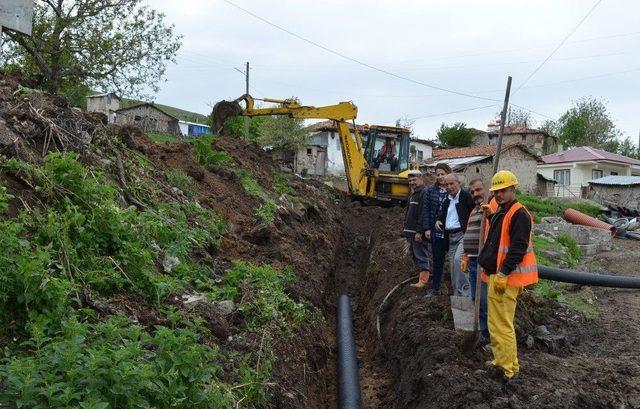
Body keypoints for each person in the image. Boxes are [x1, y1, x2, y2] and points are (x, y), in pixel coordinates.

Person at [478, 170, 539, 382]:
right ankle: (506, 361)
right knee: (497, 323)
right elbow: (501, 235)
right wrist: (491, 217)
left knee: (501, 325)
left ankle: (506, 369)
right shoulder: (504, 211)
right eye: (496, 192)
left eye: (503, 191)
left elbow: (518, 247)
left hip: (505, 279)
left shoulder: (519, 214)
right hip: (498, 276)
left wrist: (503, 272)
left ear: (513, 189)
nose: (498, 195)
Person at [460, 178, 497, 343]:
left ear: (487, 189)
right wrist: (466, 255)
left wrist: (490, 214)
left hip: (486, 263)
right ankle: (482, 331)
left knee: (483, 300)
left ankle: (488, 335)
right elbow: (469, 232)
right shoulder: (474, 211)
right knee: (476, 299)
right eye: (472, 192)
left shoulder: (491, 208)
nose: (476, 194)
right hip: (474, 260)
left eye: (479, 190)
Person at [435, 174, 475, 296]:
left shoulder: (465, 197)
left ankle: (466, 295)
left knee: (459, 261)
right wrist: (438, 220)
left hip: (463, 235)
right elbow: (442, 215)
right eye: (447, 184)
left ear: (458, 183)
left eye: (452, 183)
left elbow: (474, 212)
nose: (449, 186)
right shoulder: (447, 200)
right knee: (453, 267)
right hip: (450, 237)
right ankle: (457, 296)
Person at [423, 163, 452, 298]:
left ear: (448, 173)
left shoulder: (454, 189)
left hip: (452, 230)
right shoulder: (430, 190)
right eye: (438, 174)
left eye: (443, 174)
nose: (440, 177)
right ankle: (435, 288)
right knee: (438, 259)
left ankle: (456, 288)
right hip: (436, 229)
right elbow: (426, 210)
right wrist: (427, 228)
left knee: (455, 260)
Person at [401, 169, 431, 287]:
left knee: (420, 253)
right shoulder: (413, 194)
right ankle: (421, 276)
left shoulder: (424, 193)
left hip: (417, 232)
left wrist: (419, 231)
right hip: (411, 231)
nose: (412, 182)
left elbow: (423, 213)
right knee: (414, 253)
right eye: (410, 181)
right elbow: (409, 212)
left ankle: (423, 280)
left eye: (414, 180)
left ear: (421, 179)